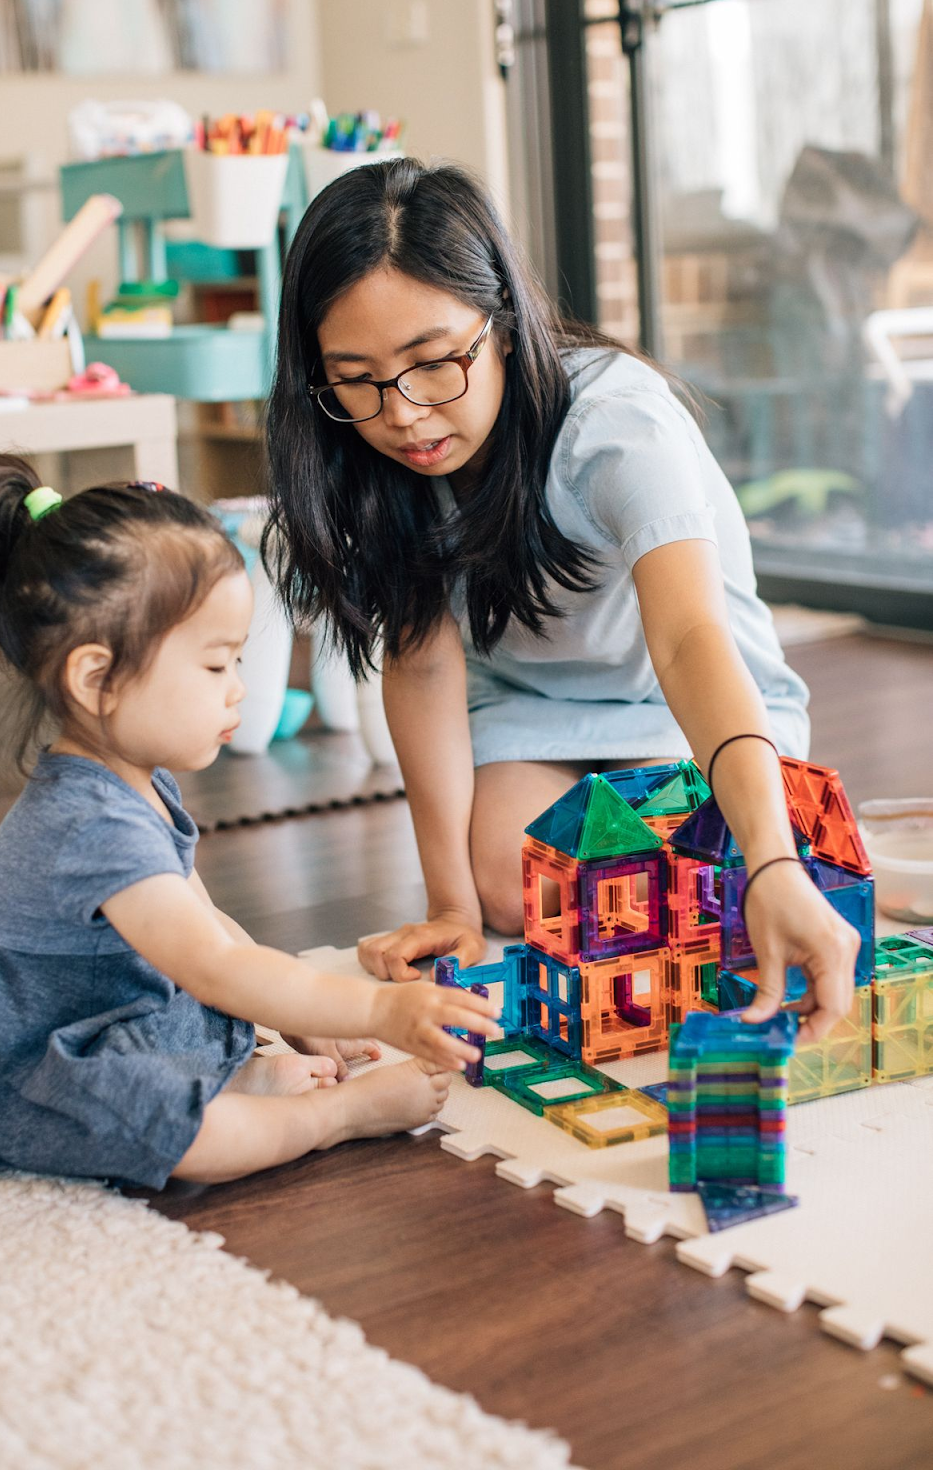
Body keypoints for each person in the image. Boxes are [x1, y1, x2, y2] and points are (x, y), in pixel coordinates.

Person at [264, 158, 859, 1043]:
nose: (407, 415)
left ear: (501, 321)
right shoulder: (375, 451)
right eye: (357, 377)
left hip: (685, 704)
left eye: (433, 364)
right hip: (540, 715)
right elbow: (421, 666)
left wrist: (770, 857)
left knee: (713, 877)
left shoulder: (617, 426)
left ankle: (784, 860)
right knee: (515, 894)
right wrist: (450, 905)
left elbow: (693, 640)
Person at [0, 455, 498, 1190]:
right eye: (216, 666)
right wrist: (378, 1008)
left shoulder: (136, 780)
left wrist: (310, 1013)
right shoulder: (88, 823)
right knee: (173, 1130)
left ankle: (245, 1082)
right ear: (97, 678)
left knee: (214, 1008)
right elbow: (216, 968)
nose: (240, 690)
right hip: (26, 1059)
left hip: (103, 1008)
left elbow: (211, 931)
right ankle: (330, 1118)